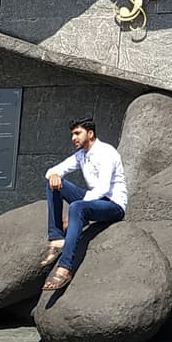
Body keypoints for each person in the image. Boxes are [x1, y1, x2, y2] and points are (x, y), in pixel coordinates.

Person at [41, 118, 127, 291]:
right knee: (54, 183)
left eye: (77, 133)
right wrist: (54, 175)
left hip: (113, 205)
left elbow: (102, 188)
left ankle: (65, 268)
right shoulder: (82, 155)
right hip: (93, 201)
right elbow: (53, 170)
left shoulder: (106, 152)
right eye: (72, 134)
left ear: (90, 133)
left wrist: (73, 214)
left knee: (76, 208)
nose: (74, 138)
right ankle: (57, 238)